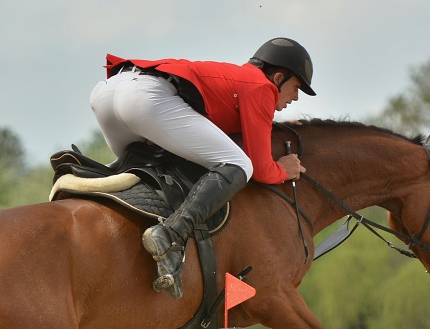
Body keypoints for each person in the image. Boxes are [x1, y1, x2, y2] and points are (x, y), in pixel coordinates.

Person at [90, 38, 315, 299]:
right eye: (296, 87)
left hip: (107, 94)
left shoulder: (239, 81)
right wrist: (283, 170)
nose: (296, 97)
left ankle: (80, 182)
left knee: (141, 172)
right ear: (278, 77)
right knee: (239, 164)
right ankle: (169, 235)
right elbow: (261, 169)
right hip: (145, 97)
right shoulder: (262, 86)